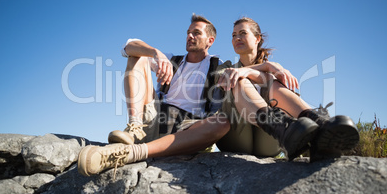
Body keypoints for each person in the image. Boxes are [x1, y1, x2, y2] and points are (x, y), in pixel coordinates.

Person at [78, 14, 231, 177]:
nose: (189, 36)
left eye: (196, 33)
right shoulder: (172, 59)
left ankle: (131, 152)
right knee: (139, 56)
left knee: (222, 123)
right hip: (153, 120)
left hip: (185, 131)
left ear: (210, 40)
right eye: (188, 32)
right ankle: (134, 129)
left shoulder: (219, 66)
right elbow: (128, 47)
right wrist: (155, 52)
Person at [215, 17, 359, 162]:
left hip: (270, 140)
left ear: (257, 38)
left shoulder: (275, 71)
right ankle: (296, 128)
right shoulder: (227, 67)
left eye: (242, 33)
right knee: (238, 78)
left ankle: (319, 125)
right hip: (235, 137)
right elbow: (224, 78)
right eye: (234, 35)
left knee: (273, 82)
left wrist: (263, 70)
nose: (237, 38)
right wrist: (264, 67)